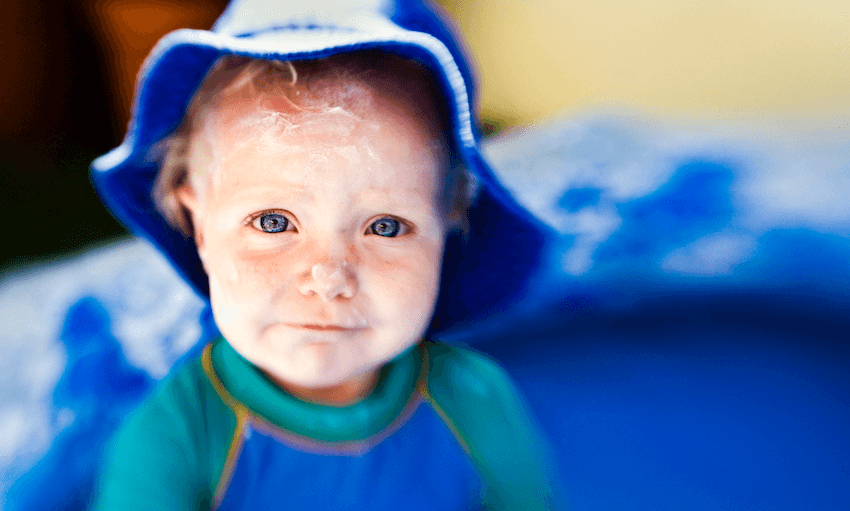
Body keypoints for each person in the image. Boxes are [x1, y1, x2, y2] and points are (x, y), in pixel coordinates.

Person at [90, 0, 562, 509]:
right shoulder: (177, 436)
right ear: (196, 223)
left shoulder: (474, 400)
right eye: (274, 222)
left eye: (386, 226)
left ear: (449, 223)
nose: (330, 277)